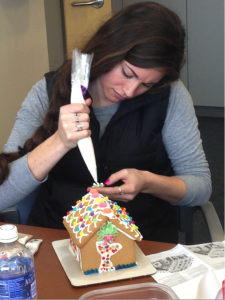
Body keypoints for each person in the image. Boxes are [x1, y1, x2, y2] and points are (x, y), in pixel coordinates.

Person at [0, 2, 211, 243]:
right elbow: (2, 195)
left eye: (147, 84)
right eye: (127, 74)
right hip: (58, 243)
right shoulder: (47, 92)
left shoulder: (170, 95)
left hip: (142, 243)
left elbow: (200, 186)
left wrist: (147, 182)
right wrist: (59, 142)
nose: (131, 91)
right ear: (108, 50)